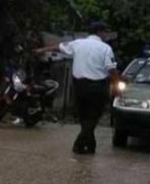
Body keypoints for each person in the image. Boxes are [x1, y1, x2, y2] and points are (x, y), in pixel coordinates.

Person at [34, 22, 120, 155]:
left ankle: (90, 146)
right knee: (94, 117)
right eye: (105, 32)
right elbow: (111, 69)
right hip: (98, 87)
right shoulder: (105, 48)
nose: (106, 35)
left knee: (84, 116)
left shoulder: (78, 43)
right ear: (100, 32)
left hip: (80, 86)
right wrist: (116, 84)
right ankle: (78, 144)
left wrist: (43, 50)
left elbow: (60, 47)